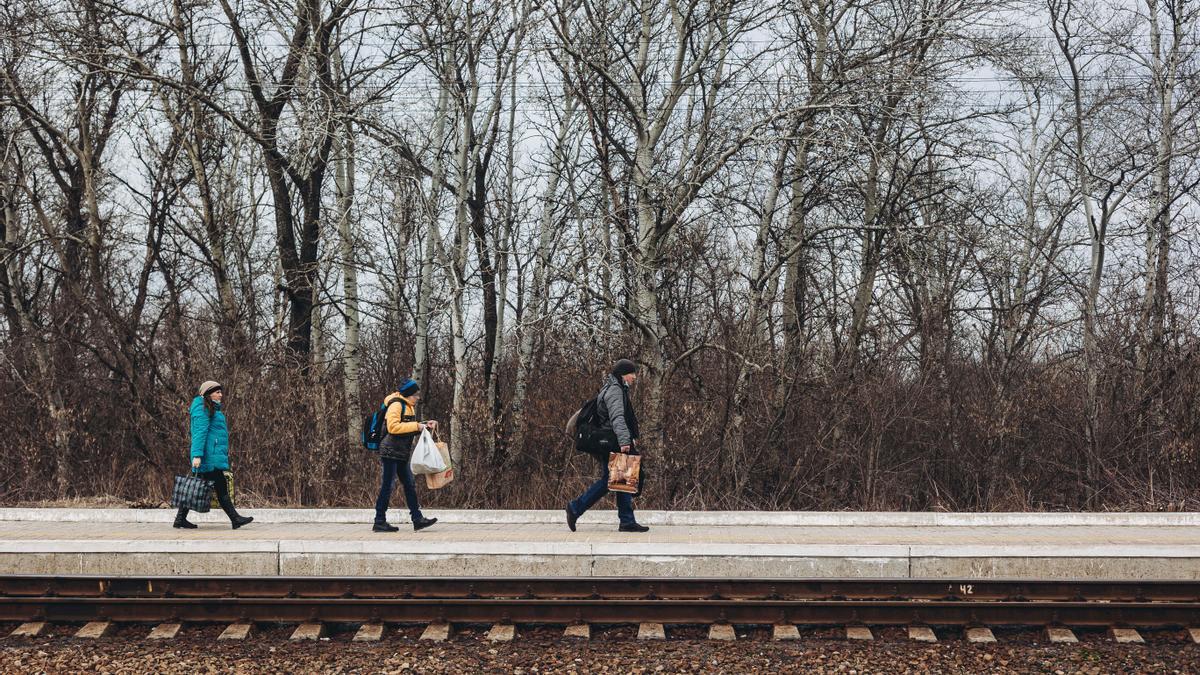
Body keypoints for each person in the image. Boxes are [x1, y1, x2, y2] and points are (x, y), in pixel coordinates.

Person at [566, 359, 650, 533]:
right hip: (613, 441)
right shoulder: (615, 391)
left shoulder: (616, 389)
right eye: (632, 373)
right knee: (610, 481)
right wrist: (625, 441)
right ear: (623, 374)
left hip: (614, 440)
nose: (634, 377)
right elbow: (617, 417)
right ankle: (575, 508)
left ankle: (627, 521)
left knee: (623, 480)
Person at [174, 381, 253, 529]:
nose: (220, 395)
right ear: (208, 393)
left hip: (211, 455)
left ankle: (180, 519)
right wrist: (197, 455)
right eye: (217, 392)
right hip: (208, 457)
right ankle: (235, 519)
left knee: (197, 487)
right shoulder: (202, 408)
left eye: (220, 392)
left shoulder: (212, 409)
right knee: (219, 485)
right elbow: (199, 433)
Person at [374, 378, 439, 532]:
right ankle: (379, 521)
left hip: (401, 452)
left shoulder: (408, 406)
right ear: (409, 394)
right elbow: (393, 427)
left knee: (409, 484)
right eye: (415, 395)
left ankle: (417, 519)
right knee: (387, 486)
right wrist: (417, 425)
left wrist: (424, 425)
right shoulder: (396, 405)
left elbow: (406, 426)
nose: (417, 398)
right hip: (390, 451)